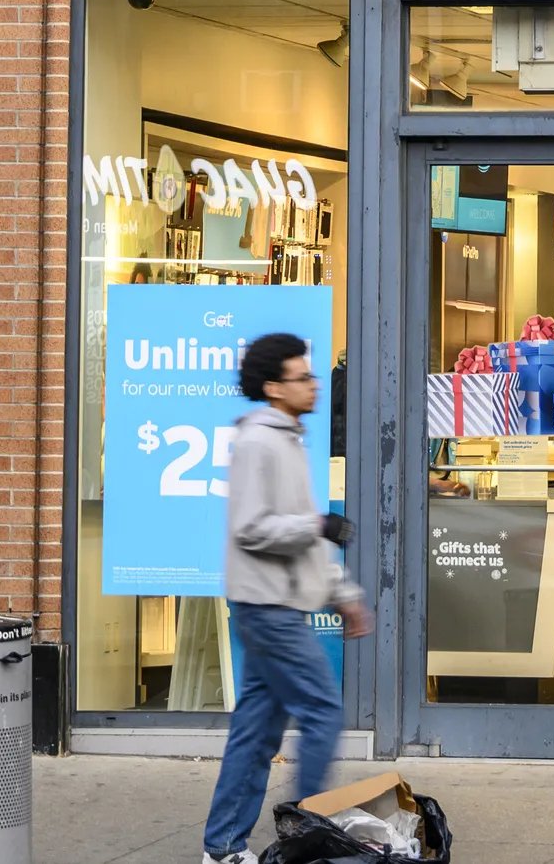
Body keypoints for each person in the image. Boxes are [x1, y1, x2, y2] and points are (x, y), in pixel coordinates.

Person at [202, 333, 372, 864]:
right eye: (302, 377)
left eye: (311, 375)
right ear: (275, 387)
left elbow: (305, 537)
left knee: (255, 732)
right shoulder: (260, 442)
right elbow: (252, 528)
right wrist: (315, 524)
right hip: (268, 608)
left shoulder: (288, 440)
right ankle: (306, 836)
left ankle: (223, 848)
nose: (314, 385)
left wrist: (343, 593)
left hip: (275, 606)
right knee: (322, 711)